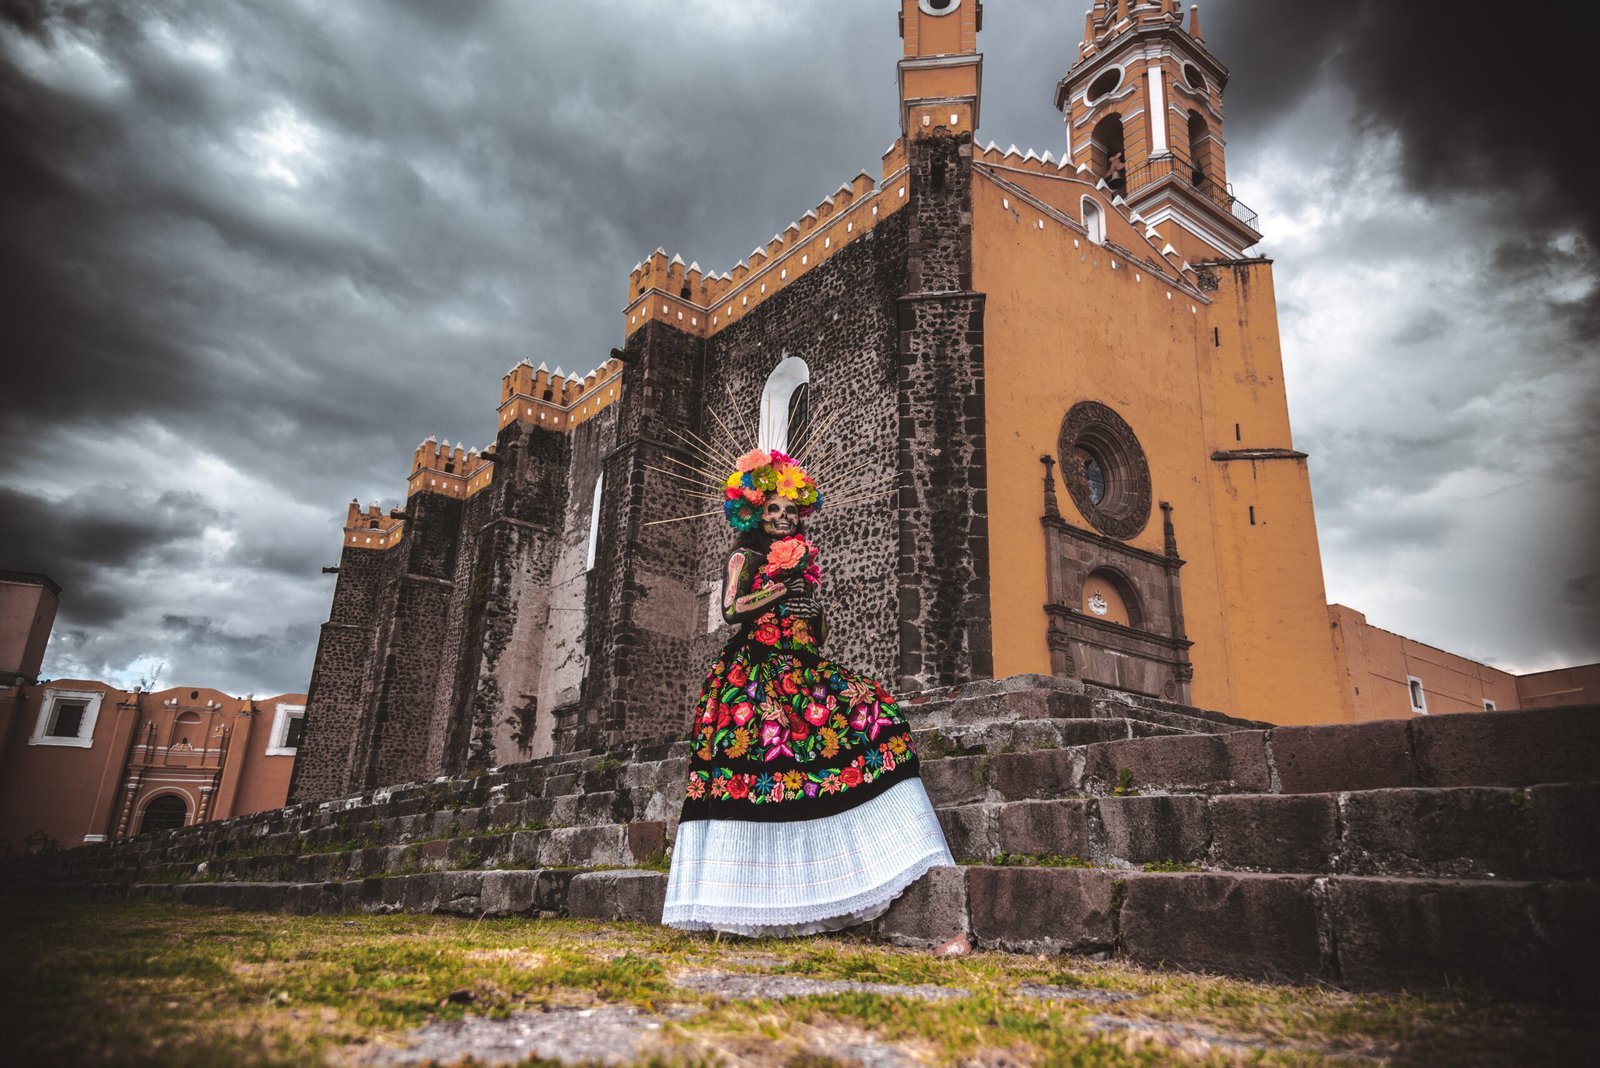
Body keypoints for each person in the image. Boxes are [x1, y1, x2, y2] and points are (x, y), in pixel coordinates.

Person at [661, 447, 958, 939]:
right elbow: (734, 610)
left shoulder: (801, 561)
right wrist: (779, 584)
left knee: (871, 712)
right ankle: (755, 898)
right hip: (755, 672)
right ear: (756, 511)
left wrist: (807, 610)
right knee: (765, 767)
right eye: (773, 509)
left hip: (802, 665)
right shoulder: (747, 555)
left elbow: (813, 626)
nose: (782, 518)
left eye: (790, 511)